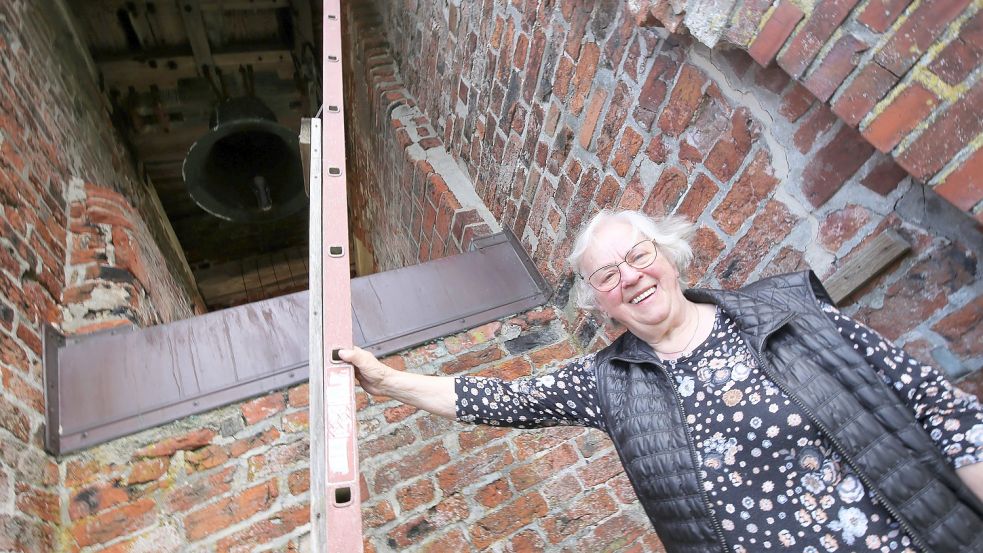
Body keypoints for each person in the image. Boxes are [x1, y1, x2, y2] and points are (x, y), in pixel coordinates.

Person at [340, 209, 983, 553]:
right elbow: (499, 398)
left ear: (668, 256)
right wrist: (390, 382)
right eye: (606, 275)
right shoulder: (609, 382)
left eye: (638, 255)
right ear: (600, 302)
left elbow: (942, 413)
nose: (629, 277)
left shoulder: (787, 309)